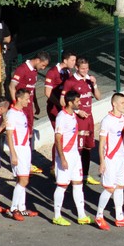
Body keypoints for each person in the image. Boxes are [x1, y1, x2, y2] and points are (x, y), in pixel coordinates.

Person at [52, 90, 92, 225]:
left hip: (75, 155)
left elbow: (70, 132)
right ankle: (57, 216)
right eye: (77, 101)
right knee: (62, 186)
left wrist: (81, 132)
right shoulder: (61, 117)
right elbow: (57, 138)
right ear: (70, 103)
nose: (79, 103)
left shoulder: (72, 114)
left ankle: (81, 215)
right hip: (66, 155)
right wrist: (62, 158)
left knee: (78, 184)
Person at [60, 57, 102, 184]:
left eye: (87, 68)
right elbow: (63, 101)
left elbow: (99, 97)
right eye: (83, 68)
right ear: (77, 68)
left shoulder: (89, 80)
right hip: (78, 120)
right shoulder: (70, 82)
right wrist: (77, 111)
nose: (85, 71)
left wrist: (94, 84)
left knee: (88, 148)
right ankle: (73, 175)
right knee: (78, 148)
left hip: (89, 119)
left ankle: (85, 175)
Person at [96, 93, 124, 230]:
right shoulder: (106, 120)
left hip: (121, 159)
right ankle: (99, 215)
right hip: (110, 159)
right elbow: (101, 143)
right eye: (122, 102)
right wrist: (102, 161)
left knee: (120, 186)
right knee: (109, 188)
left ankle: (119, 216)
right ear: (114, 104)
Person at [9, 51, 50, 173]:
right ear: (37, 60)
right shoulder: (22, 69)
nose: (43, 68)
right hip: (22, 107)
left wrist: (35, 103)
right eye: (43, 65)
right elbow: (11, 86)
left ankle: (28, 161)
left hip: (29, 106)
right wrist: (16, 103)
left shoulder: (34, 71)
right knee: (21, 133)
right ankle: (20, 161)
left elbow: (32, 89)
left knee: (30, 132)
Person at [5, 89, 38, 221]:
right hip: (18, 150)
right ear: (19, 98)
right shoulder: (12, 114)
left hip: (25, 149)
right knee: (23, 180)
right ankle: (13, 209)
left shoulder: (21, 113)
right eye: (26, 98)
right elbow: (9, 135)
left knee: (22, 179)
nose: (28, 101)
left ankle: (22, 208)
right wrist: (13, 154)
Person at [45, 50, 76, 131]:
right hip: (55, 107)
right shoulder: (52, 72)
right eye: (72, 60)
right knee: (60, 133)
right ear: (65, 61)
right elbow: (47, 93)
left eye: (75, 60)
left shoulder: (68, 71)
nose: (74, 62)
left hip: (65, 106)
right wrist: (60, 105)